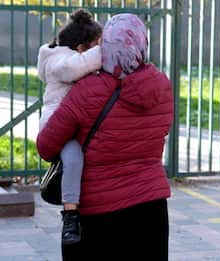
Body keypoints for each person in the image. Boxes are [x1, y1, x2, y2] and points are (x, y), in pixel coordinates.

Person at [37, 13, 173, 260]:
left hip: (98, 214)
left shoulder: (87, 90)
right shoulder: (161, 86)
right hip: (151, 210)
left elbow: (46, 146)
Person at [36, 8, 102, 245]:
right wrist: (106, 51)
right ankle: (70, 215)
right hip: (58, 125)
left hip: (76, 122)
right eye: (96, 45)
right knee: (73, 159)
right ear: (82, 49)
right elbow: (72, 69)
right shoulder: (58, 62)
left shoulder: (72, 58)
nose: (99, 51)